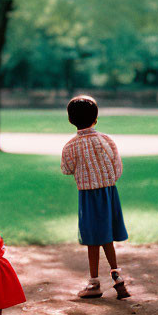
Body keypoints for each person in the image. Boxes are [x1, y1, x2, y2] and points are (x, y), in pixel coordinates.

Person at [61, 95, 130, 300]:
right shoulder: (106, 140)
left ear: (71, 120)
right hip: (109, 193)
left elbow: (66, 169)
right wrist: (106, 180)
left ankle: (94, 282)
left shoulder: (70, 146)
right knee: (107, 236)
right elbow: (117, 166)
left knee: (92, 238)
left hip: (88, 195)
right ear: (96, 118)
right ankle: (116, 275)